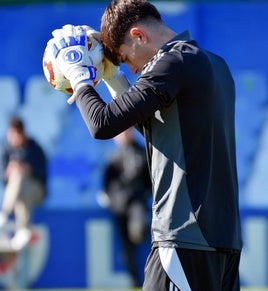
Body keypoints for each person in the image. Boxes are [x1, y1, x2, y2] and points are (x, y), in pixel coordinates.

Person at [47, 0, 243, 289]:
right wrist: (114, 80)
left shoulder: (172, 62)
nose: (134, 70)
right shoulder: (213, 63)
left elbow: (102, 124)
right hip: (224, 240)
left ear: (139, 35)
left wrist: (80, 78)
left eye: (126, 59)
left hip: (184, 236)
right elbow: (161, 131)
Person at [101, 127, 151, 287]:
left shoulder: (142, 153)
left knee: (139, 232)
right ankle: (134, 281)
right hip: (119, 207)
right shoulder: (113, 157)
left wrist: (145, 195)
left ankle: (150, 276)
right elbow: (106, 184)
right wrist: (111, 199)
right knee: (126, 247)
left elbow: (151, 179)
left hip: (137, 204)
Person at [0, 116, 47, 251]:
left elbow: (41, 175)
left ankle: (4, 214)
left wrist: (26, 170)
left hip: (37, 190)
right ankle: (23, 230)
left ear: (22, 133)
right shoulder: (7, 149)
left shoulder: (34, 149)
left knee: (20, 181)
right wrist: (11, 171)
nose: (12, 138)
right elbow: (4, 177)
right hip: (17, 193)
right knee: (17, 180)